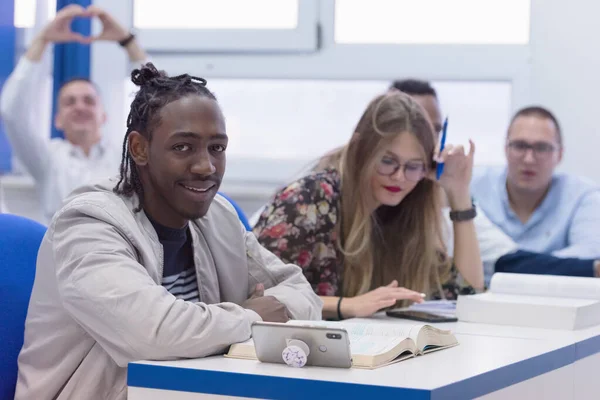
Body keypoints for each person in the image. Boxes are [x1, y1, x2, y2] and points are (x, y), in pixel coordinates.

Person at [14, 63, 322, 400]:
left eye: (217, 148)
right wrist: (251, 316)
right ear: (140, 148)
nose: (206, 167)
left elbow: (302, 295)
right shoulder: (87, 224)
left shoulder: (218, 217)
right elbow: (150, 333)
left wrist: (228, 323)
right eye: (183, 147)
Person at [253, 91, 483, 320]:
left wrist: (459, 192)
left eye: (413, 166)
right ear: (359, 149)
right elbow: (257, 293)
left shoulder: (406, 208)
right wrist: (346, 305)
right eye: (387, 161)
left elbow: (466, 296)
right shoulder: (308, 199)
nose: (399, 177)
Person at [391, 80, 600, 283]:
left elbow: (492, 270)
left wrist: (459, 194)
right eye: (519, 146)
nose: (529, 158)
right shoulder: (368, 192)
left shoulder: (446, 192)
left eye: (435, 130)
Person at [0, 4, 147, 223]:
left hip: (120, 248)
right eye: (69, 102)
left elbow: (159, 104)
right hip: (63, 252)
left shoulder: (127, 155)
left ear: (103, 115)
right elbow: (12, 110)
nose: (80, 106)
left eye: (88, 100)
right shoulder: (48, 159)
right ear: (57, 119)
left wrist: (127, 41)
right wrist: (42, 40)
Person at [471, 106, 600, 259]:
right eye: (519, 146)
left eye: (542, 148)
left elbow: (591, 253)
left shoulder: (583, 196)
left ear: (559, 155)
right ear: (505, 149)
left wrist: (517, 266)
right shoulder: (472, 186)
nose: (529, 159)